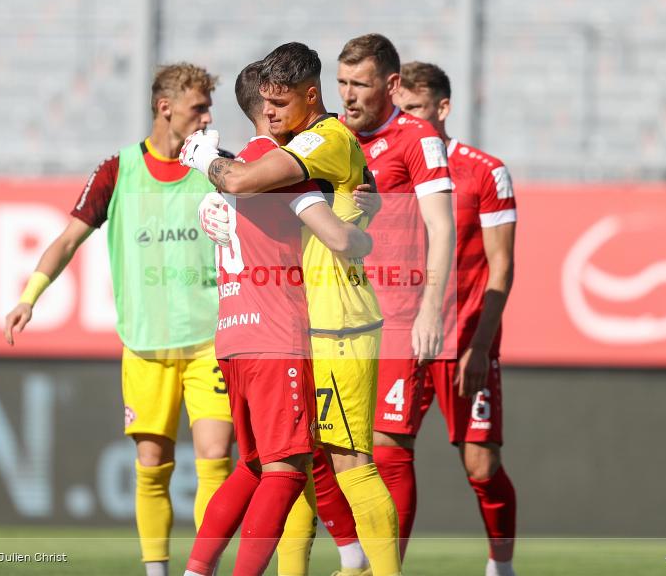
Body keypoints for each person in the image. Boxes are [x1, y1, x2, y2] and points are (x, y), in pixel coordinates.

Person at [3, 63, 234, 576]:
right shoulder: (117, 170)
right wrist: (29, 296)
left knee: (215, 461)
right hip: (146, 345)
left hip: (210, 343)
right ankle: (155, 571)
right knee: (152, 466)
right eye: (199, 108)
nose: (208, 118)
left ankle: (204, 570)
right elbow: (67, 240)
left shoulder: (220, 169)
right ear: (165, 107)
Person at [181, 42, 402, 576]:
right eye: (267, 103)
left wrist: (205, 158)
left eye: (282, 101)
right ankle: (336, 564)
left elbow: (237, 182)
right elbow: (354, 204)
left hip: (336, 322)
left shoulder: (318, 141)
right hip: (298, 325)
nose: (274, 110)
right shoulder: (291, 154)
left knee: (347, 464)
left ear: (309, 95)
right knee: (295, 464)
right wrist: (364, 213)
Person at [331, 34, 457, 564]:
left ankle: (386, 568)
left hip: (399, 315)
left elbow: (441, 226)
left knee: (387, 447)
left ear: (391, 85)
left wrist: (431, 309)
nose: (348, 95)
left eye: (359, 84)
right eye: (341, 83)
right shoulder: (330, 136)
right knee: (329, 453)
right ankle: (353, 560)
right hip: (334, 316)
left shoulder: (416, 137)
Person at [395, 61, 518, 576]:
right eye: (399, 112)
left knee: (481, 466)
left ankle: (500, 565)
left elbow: (502, 265)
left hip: (464, 336)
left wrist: (480, 345)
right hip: (404, 339)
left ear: (442, 109)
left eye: (416, 111)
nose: (407, 122)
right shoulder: (387, 165)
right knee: (386, 456)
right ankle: (384, 567)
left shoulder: (484, 171)